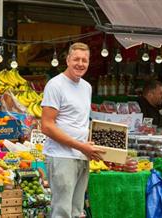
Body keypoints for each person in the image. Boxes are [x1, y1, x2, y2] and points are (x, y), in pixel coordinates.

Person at [41, 42, 105, 218]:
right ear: (68, 60)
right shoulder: (55, 85)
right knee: (61, 212)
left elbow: (80, 122)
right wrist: (81, 146)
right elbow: (46, 126)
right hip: (61, 157)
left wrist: (87, 146)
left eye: (85, 60)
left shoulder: (87, 87)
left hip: (81, 156)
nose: (80, 63)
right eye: (76, 59)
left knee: (77, 211)